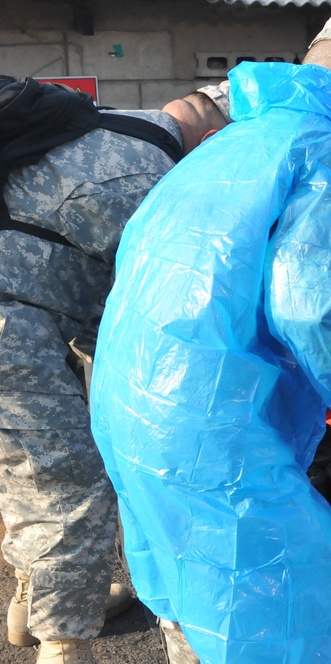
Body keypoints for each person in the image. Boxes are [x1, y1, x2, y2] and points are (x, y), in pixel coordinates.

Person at [88, 9, 331, 664]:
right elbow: (309, 303)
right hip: (206, 435)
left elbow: (224, 286)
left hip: (127, 410)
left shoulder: (226, 144)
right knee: (306, 629)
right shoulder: (326, 148)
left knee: (203, 614)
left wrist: (314, 379)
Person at [0, 80, 229, 664]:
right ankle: (62, 646)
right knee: (67, 487)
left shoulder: (104, 128)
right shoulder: (145, 175)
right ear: (210, 140)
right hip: (10, 330)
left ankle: (29, 611)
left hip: (26, 312)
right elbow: (171, 307)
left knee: (26, 474)